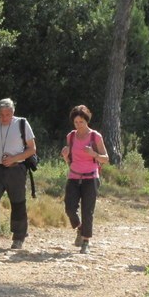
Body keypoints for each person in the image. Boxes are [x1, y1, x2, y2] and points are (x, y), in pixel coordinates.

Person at [0, 98, 37, 252]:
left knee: (17, 203)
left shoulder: (22, 124)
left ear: (13, 113)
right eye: (2, 114)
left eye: (8, 114)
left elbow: (32, 149)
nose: (4, 118)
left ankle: (18, 237)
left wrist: (13, 159)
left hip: (16, 170)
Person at [60, 105, 109, 255]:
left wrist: (93, 153)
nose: (79, 125)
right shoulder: (71, 136)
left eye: (81, 122)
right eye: (76, 122)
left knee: (88, 211)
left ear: (87, 121)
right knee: (69, 208)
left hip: (91, 177)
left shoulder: (95, 136)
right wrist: (64, 155)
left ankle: (86, 242)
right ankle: (80, 228)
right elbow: (69, 160)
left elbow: (106, 159)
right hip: (74, 175)